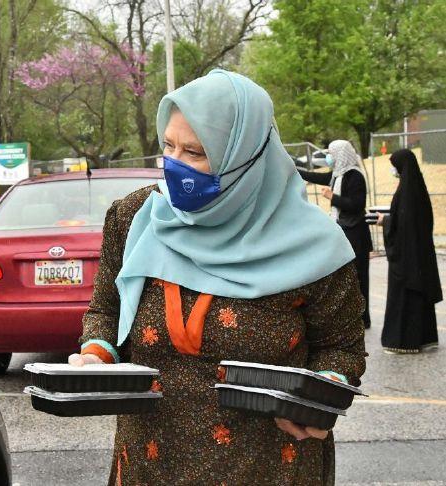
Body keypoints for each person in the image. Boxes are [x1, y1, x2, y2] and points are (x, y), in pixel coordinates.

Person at [68, 70, 366, 485]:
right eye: (168, 146)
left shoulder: (315, 247)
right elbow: (107, 309)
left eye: (195, 151)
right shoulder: (135, 218)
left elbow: (342, 348)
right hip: (150, 462)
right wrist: (96, 354)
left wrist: (321, 398)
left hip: (269, 466)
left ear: (246, 155)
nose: (175, 165)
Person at [297, 140, 373, 328]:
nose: (328, 157)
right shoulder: (338, 175)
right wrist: (294, 168)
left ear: (341, 154)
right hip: (345, 230)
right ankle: (351, 316)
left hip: (356, 232)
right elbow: (316, 177)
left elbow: (356, 205)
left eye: (331, 153)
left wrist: (333, 198)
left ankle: (364, 318)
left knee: (359, 276)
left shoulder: (354, 176)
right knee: (346, 277)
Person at [377, 149, 441, 354]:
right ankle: (425, 339)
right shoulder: (417, 188)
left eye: (395, 166)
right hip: (419, 255)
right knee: (418, 294)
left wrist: (385, 221)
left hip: (407, 258)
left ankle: (403, 342)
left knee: (405, 297)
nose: (393, 170)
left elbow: (403, 225)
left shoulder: (407, 192)